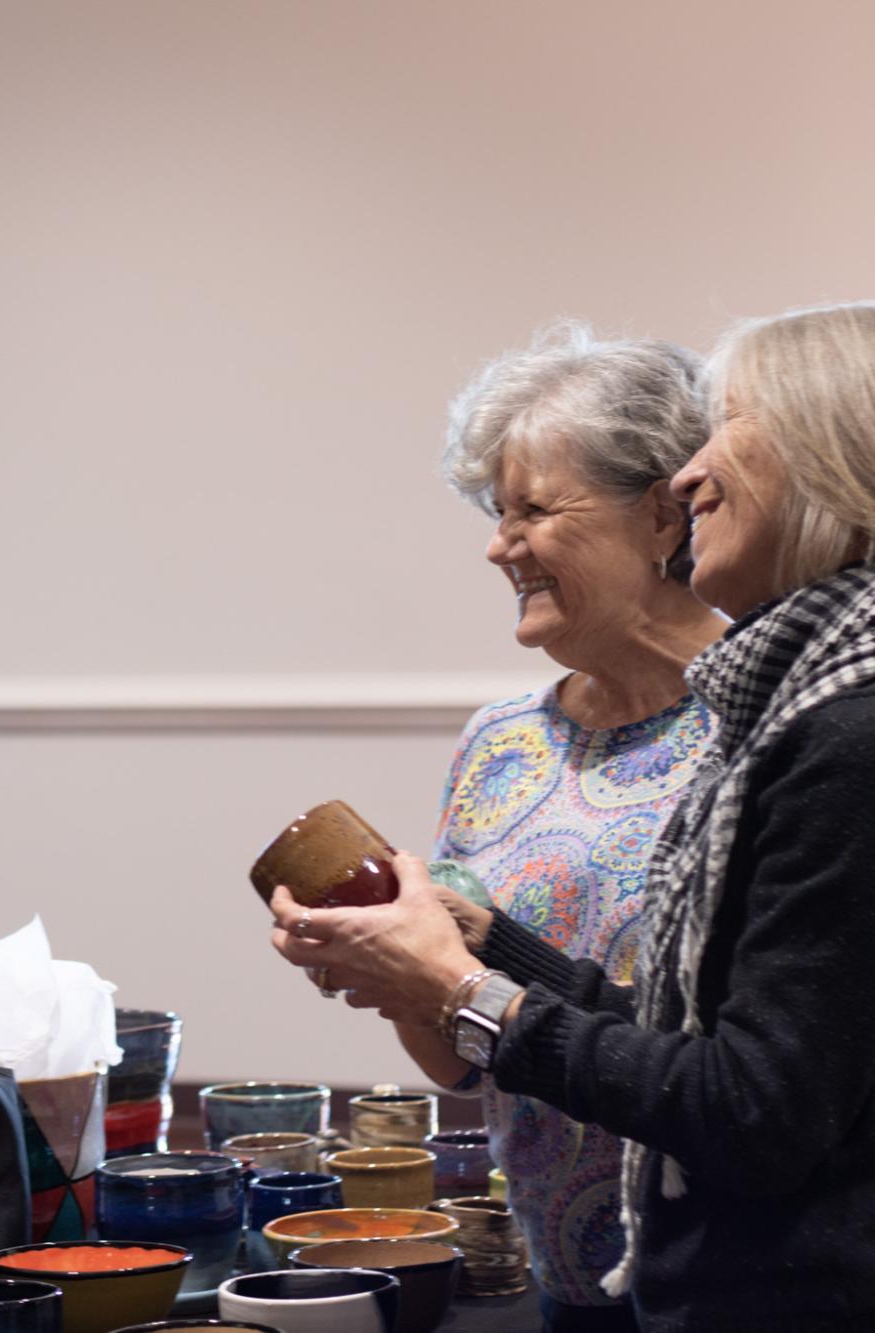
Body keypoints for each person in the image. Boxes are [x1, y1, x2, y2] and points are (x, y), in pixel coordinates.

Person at [273, 300, 875, 1330]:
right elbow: (657, 1034)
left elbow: (749, 1099)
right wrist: (461, 955)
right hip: (588, 1273)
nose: (696, 476)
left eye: (532, 509)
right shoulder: (510, 738)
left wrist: (464, 985)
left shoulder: (808, 729)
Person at [362, 326, 723, 1330]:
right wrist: (396, 957)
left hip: (729, 1283)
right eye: (494, 511)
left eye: (532, 509)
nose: (495, 543)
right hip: (551, 1283)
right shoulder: (498, 743)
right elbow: (451, 1057)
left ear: (660, 515)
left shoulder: (765, 728)